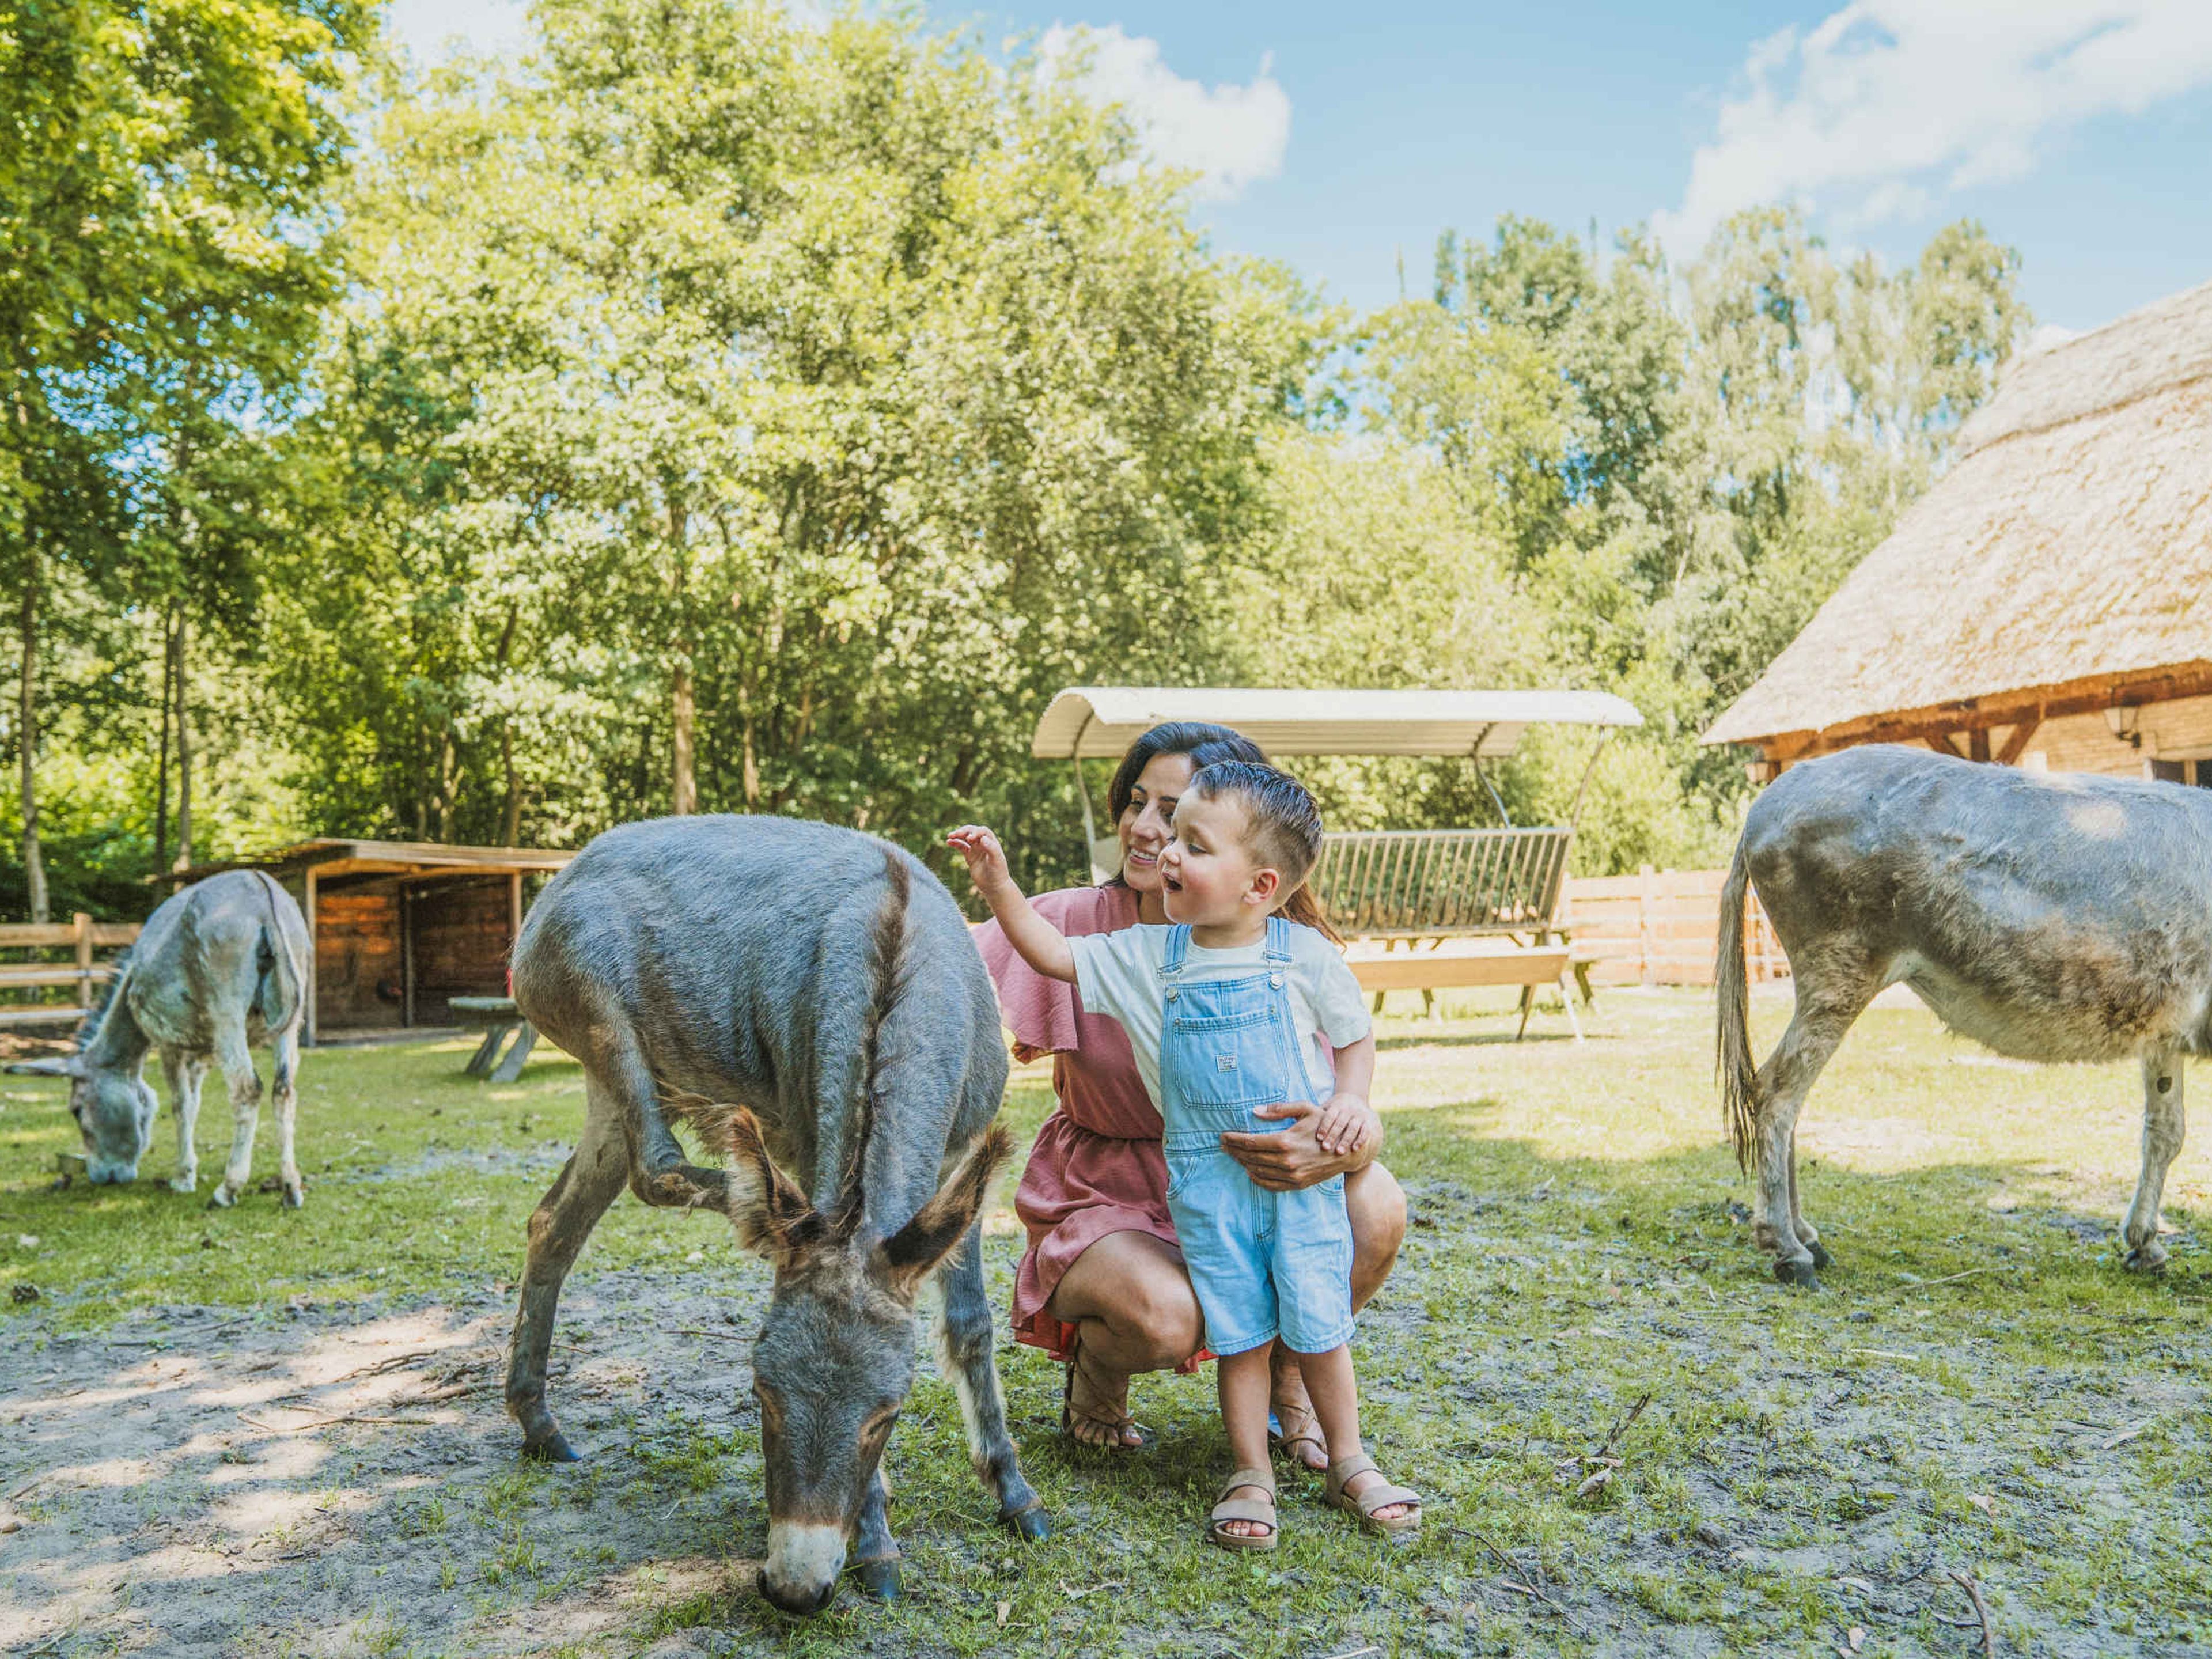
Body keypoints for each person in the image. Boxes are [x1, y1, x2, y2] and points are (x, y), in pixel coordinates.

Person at [952, 761, 1422, 1548]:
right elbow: (1050, 953)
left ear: (1259, 884)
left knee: (1320, 1320)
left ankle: (1351, 1458)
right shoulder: (1145, 955)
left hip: (1294, 1184)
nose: (1166, 849)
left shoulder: (1302, 955)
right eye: (1165, 830)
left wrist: (1350, 1103)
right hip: (1207, 1184)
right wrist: (999, 886)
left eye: (1192, 841)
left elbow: (1354, 1034)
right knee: (1238, 1329)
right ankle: (1249, 1472)